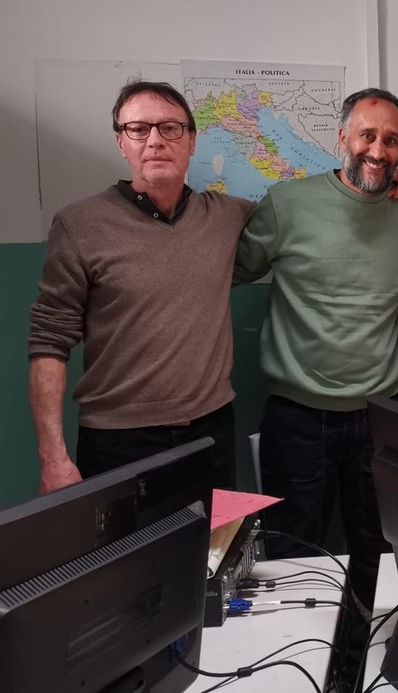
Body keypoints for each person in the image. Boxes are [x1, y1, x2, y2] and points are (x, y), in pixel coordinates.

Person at [233, 87, 398, 614]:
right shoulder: (287, 203)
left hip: (382, 418)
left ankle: (369, 655)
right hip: (297, 420)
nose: (378, 150)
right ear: (343, 138)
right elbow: (228, 268)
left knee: (384, 557)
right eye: (367, 135)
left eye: (391, 140)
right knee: (291, 561)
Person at [28, 80, 254, 494]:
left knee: (213, 538)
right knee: (123, 541)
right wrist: (52, 457)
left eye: (170, 128)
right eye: (138, 129)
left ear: (192, 141)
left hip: (211, 432)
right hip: (117, 442)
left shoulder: (226, 216)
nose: (155, 140)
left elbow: (297, 215)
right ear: (121, 142)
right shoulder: (79, 225)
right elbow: (48, 342)